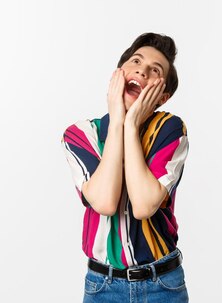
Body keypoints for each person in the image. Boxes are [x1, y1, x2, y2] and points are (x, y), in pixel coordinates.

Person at [61, 32, 190, 302]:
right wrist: (118, 118)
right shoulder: (81, 134)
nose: (142, 71)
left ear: (162, 97)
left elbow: (144, 205)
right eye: (136, 62)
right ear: (118, 74)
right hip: (102, 287)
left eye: (154, 70)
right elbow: (105, 202)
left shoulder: (169, 130)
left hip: (162, 285)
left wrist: (130, 126)